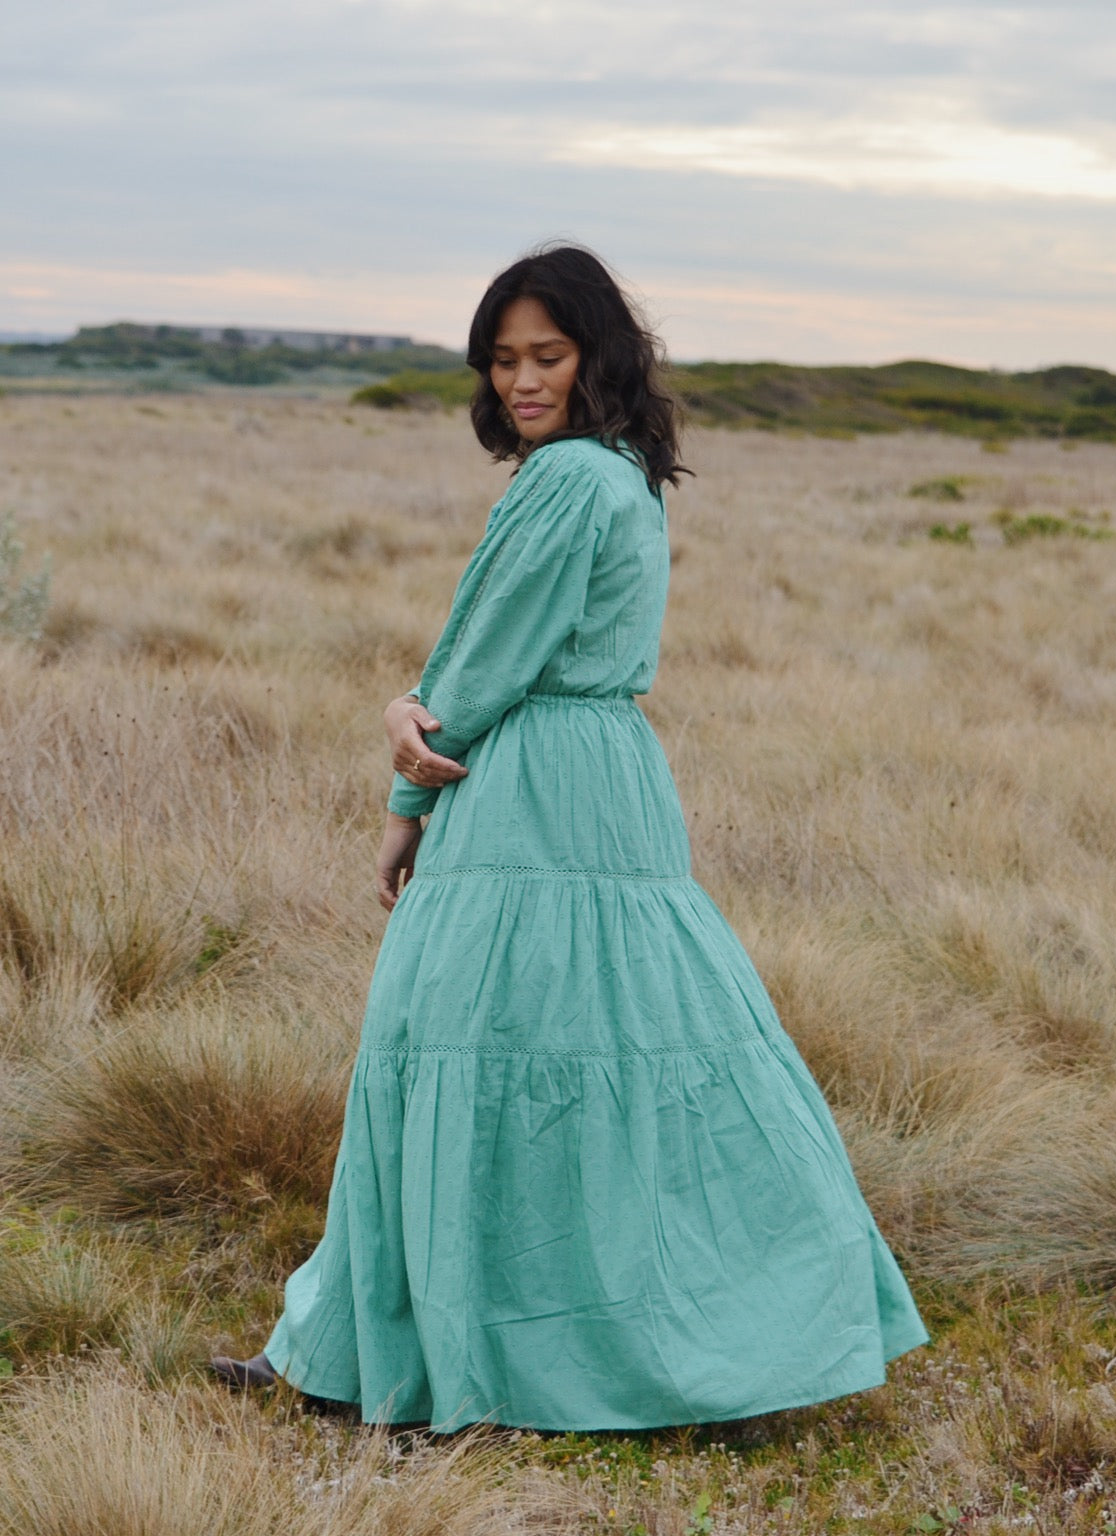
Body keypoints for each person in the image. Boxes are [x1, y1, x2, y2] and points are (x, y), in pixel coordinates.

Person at [211, 246, 928, 1430]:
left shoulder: (562, 482)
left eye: (546, 355)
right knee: (608, 1056)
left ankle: (398, 1360)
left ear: (599, 354)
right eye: (502, 360)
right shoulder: (625, 475)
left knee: (449, 1047)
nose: (521, 381)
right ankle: (397, 1350)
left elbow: (485, 661)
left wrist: (405, 765)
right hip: (601, 778)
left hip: (534, 781)